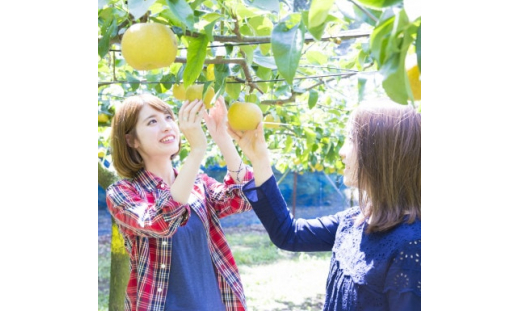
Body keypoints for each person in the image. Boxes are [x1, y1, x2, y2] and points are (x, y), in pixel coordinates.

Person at [228, 98, 421, 311]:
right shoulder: (353, 222)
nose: (342, 151)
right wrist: (258, 158)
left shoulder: (411, 247)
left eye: (351, 139)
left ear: (379, 152)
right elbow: (288, 233)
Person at [105, 93, 253, 311]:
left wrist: (222, 136)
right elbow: (162, 222)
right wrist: (196, 151)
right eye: (152, 121)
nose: (166, 126)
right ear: (131, 140)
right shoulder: (123, 193)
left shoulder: (198, 185)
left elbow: (245, 197)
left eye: (168, 117)